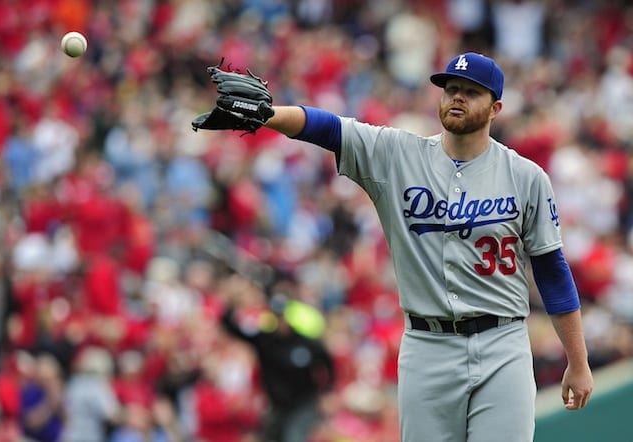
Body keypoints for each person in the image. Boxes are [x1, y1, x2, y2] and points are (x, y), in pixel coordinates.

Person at [193, 52, 593, 442]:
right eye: (450, 88)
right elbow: (330, 128)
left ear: (495, 108)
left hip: (502, 343)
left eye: (470, 92)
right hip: (427, 344)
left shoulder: (526, 177)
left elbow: (552, 271)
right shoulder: (398, 154)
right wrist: (269, 114)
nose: (457, 96)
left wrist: (578, 360)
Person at [221, 290, 335, 442]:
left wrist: (327, 390)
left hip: (303, 401)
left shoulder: (306, 342)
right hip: (277, 403)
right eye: (278, 316)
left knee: (293, 436)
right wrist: (231, 304)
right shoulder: (266, 341)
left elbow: (327, 364)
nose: (281, 321)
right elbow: (234, 330)